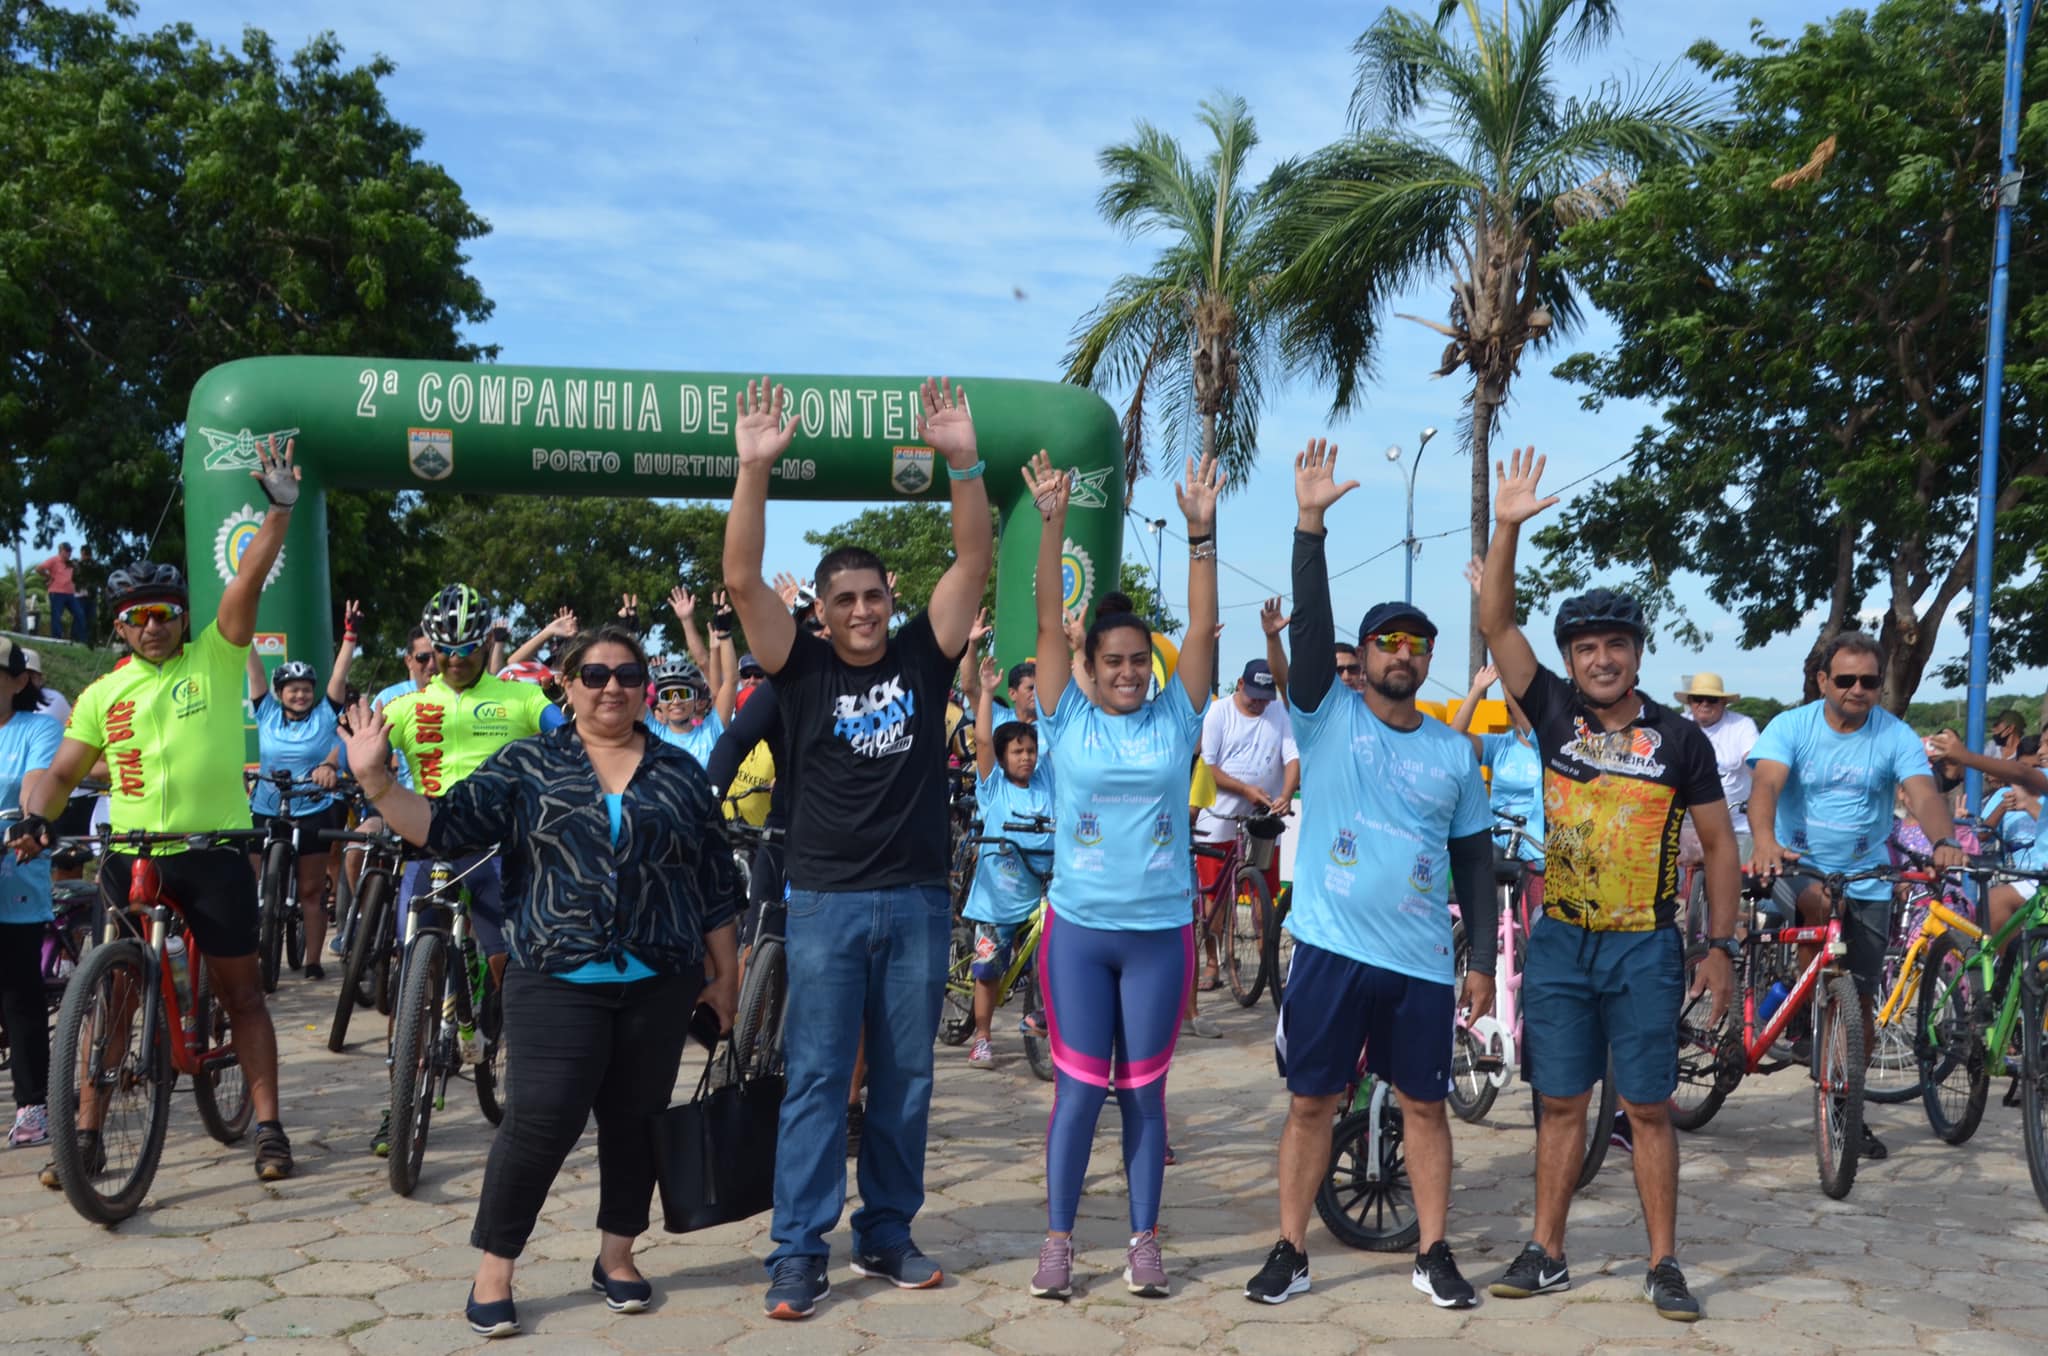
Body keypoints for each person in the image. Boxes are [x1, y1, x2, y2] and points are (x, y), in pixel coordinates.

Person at [338, 624, 741, 1339]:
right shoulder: (527, 763)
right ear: (566, 684)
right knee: (541, 1119)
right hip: (554, 972)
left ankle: (617, 1256)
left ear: (644, 686)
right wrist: (377, 780)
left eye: (626, 674)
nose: (611, 686)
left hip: (661, 976)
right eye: (594, 674)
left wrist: (728, 976)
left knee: (637, 1118)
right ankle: (495, 1267)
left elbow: (711, 883)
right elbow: (445, 824)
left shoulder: (679, 772)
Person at [723, 377, 992, 1321]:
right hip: (827, 900)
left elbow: (972, 559)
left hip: (918, 898)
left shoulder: (926, 654)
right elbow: (743, 583)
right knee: (817, 1081)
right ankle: (798, 1250)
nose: (866, 610)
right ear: (825, 611)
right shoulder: (798, 665)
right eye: (848, 599)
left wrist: (962, 460)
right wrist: (753, 471)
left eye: (877, 595)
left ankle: (885, 1232)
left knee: (909, 1081)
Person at [1476, 447, 1740, 1322]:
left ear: (1636, 652)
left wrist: (1722, 947)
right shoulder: (1550, 710)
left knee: (1651, 1106)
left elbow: (1719, 844)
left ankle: (1664, 1263)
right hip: (1561, 936)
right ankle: (1547, 1252)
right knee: (1558, 1103)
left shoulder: (1680, 740)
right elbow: (1496, 621)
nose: (1600, 660)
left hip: (1643, 943)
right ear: (1570, 658)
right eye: (1585, 648)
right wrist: (1509, 524)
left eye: (1614, 645)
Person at [1241, 440, 1494, 1309]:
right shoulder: (1325, 716)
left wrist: (1484, 962)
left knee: (1426, 1108)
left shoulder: (1454, 752)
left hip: (1420, 962)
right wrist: (1309, 526)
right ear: (1369, 655)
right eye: (1388, 641)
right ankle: (1289, 1250)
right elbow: (1310, 631)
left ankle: (1432, 1252)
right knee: (1313, 1103)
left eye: (1417, 644)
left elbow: (1475, 859)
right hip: (1330, 948)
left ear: (1427, 662)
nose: (1403, 654)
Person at [15, 436, 303, 1182]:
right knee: (112, 995)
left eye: (166, 612)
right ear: (117, 625)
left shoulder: (213, 650)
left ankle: (268, 1127)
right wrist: (34, 818)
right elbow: (60, 771)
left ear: (184, 616)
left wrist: (277, 511)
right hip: (133, 852)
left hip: (212, 852)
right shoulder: (101, 694)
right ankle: (84, 1135)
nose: (153, 625)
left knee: (241, 994)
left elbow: (249, 575)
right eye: (138, 615)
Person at [1020, 445, 1217, 1303]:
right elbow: (1040, 625)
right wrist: (1053, 522)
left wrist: (1203, 534)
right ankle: (1057, 1245)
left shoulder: (1178, 718)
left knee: (1144, 1097)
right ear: (1089, 668)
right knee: (1075, 1096)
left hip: (1159, 937)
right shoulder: (1065, 722)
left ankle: (1144, 1242)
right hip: (1081, 934)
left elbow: (1204, 632)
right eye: (1116, 663)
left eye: (1142, 660)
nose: (1132, 672)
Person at [1750, 633, 1966, 1158]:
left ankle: (1848, 1108)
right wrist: (1763, 841)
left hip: (1869, 877)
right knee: (1821, 905)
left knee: (1862, 1003)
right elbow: (1767, 787)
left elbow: (1921, 792)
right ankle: (1798, 1007)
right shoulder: (1791, 727)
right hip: (1798, 864)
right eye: (1845, 680)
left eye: (1869, 681)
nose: (1857, 690)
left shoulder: (1894, 735)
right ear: (1823, 681)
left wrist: (1943, 841)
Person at [371, 583, 566, 1155]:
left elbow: (575, 744)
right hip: (427, 850)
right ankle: (399, 1102)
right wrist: (341, 767)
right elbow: (359, 759)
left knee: (509, 963)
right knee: (411, 978)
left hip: (498, 853)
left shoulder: (520, 700)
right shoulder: (405, 707)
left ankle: (516, 1054)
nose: (456, 662)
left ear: (486, 644)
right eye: (443, 652)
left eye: (467, 650)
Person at [245, 603, 359, 978]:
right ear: (280, 692)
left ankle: (312, 960)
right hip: (267, 804)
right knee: (254, 884)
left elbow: (340, 674)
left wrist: (349, 636)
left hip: (314, 805)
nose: (300, 695)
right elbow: (255, 669)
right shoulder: (265, 711)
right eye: (293, 689)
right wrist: (243, 630)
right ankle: (251, 952)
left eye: (306, 689)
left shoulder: (327, 713)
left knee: (311, 890)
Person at [961, 655, 1053, 1069]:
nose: (1027, 758)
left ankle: (1042, 1021)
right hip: (996, 899)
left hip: (1039, 894)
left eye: (1031, 750)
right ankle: (982, 1036)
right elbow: (983, 741)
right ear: (1002, 758)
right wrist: (983, 692)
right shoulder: (993, 787)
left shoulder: (1047, 782)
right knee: (987, 971)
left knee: (1051, 962)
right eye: (1017, 751)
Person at [1193, 659, 1297, 992]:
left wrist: (1285, 794)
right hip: (1219, 816)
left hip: (1262, 818)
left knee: (1263, 898)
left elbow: (1292, 758)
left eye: (1264, 697)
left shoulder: (1279, 713)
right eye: (1253, 695)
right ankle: (1212, 962)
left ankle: (1266, 962)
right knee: (1214, 901)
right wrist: (1245, 790)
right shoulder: (1218, 713)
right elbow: (1209, 768)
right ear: (1240, 684)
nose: (1259, 703)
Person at [0, 637, 63, 1148]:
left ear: (19, 682)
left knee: (18, 993)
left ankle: (33, 1106)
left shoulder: (37, 728)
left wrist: (28, 819)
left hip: (15, 870)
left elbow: (36, 782)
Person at [1452, 663, 1546, 883]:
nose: (1517, 714)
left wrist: (1506, 682)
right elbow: (1454, 740)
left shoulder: (1548, 746)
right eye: (1510, 709)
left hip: (1536, 845)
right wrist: (1477, 690)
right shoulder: (1499, 744)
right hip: (1496, 840)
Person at [1674, 674, 1759, 858]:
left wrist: (1763, 782)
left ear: (1723, 703)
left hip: (1736, 825)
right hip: (1689, 825)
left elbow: (1755, 762)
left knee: (1737, 883)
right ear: (1689, 702)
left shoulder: (1741, 725)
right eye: (1698, 699)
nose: (1705, 704)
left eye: (1712, 699)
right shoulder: (1678, 727)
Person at [31, 543, 88, 643]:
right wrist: (48, 576)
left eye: (70, 551)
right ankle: (57, 638)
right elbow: (39, 568)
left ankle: (79, 638)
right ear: (61, 551)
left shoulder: (71, 563)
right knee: (56, 616)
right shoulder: (54, 560)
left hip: (70, 594)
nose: (69, 553)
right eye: (67, 551)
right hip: (57, 592)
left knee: (79, 614)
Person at [18, 651, 70, 725]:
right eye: (18, 675)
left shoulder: (52, 702)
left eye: (30, 677)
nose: (24, 681)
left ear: (40, 680)